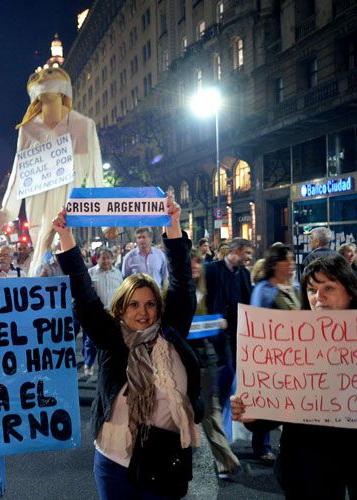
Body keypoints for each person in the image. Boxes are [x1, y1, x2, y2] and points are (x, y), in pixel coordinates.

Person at [53, 195, 202, 499]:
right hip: (113, 464)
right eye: (133, 305)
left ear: (160, 309)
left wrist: (173, 224)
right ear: (120, 309)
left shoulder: (171, 333)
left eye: (150, 304)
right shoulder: (112, 338)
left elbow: (182, 284)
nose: (143, 312)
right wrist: (66, 236)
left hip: (164, 462)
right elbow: (83, 294)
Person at [231, 254, 357, 500]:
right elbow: (271, 411)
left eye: (328, 288)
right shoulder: (288, 344)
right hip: (310, 463)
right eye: (311, 290)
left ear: (350, 292)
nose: (319, 298)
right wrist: (252, 414)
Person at [0, 66, 104, 276]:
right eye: (37, 76)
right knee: (41, 259)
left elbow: (93, 171)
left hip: (67, 204)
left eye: (50, 74)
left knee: (64, 259)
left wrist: (104, 217)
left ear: (64, 86)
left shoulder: (82, 125)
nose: (43, 77)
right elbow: (18, 174)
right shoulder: (28, 129)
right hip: (37, 203)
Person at [187, 249, 241, 480]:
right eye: (190, 262)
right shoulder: (174, 290)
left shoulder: (207, 289)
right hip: (181, 357)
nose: (195, 266)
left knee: (210, 408)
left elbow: (220, 315)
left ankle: (225, 460)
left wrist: (218, 322)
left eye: (198, 261)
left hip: (205, 355)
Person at [249, 245, 300, 465]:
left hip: (296, 357)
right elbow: (256, 323)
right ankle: (262, 445)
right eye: (286, 260)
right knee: (269, 402)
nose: (291, 264)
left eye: (292, 259)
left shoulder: (297, 287)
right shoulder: (263, 289)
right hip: (273, 357)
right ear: (274, 264)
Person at [204, 237, 253, 411]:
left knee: (235, 367)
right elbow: (203, 298)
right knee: (227, 366)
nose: (249, 258)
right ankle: (222, 402)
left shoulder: (244, 274)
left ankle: (228, 401)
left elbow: (249, 301)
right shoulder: (211, 269)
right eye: (246, 253)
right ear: (237, 251)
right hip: (218, 332)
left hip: (239, 332)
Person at [81, 247, 123, 381]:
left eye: (108, 258)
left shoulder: (117, 273)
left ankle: (109, 367)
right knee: (91, 341)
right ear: (97, 259)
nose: (106, 261)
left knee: (113, 341)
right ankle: (88, 364)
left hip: (114, 314)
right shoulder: (90, 273)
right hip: (96, 313)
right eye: (103, 258)